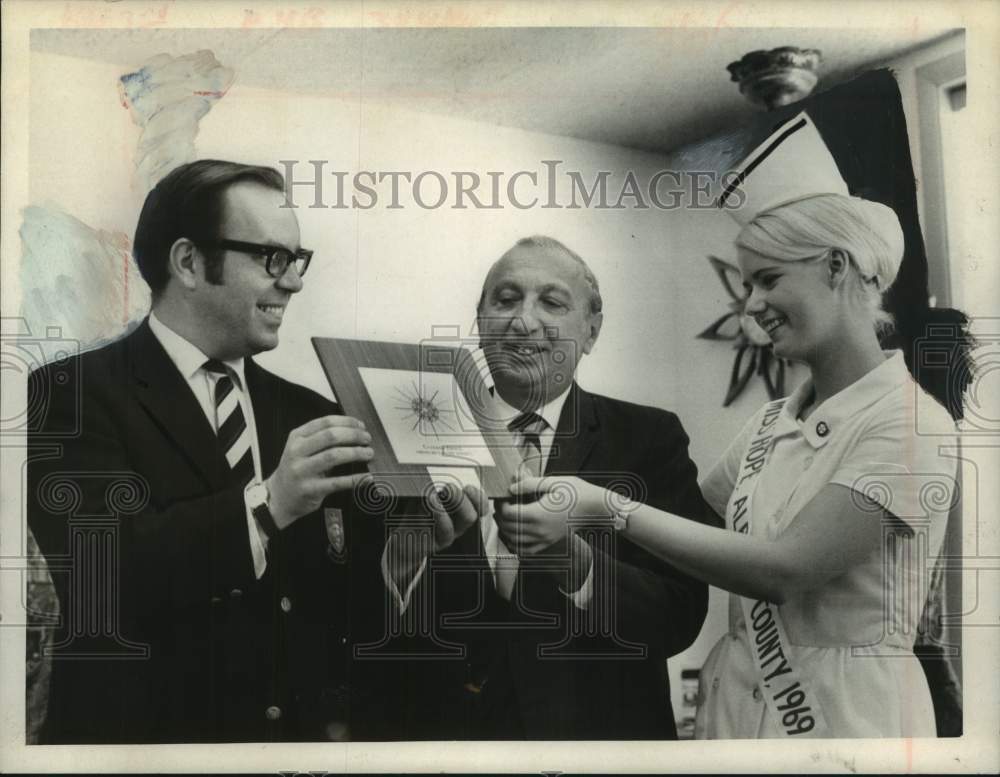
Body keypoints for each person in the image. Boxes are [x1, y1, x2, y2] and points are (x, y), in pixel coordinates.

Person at [509, 113, 960, 738]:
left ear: (836, 267)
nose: (752, 305)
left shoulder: (912, 426)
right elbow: (690, 525)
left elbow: (784, 570)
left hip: (843, 720)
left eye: (769, 279)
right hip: (734, 715)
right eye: (748, 284)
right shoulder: (771, 423)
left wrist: (600, 507)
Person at [27, 159, 378, 743]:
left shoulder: (314, 411)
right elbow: (102, 575)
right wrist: (269, 506)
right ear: (188, 262)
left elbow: (347, 603)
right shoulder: (68, 395)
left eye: (296, 260)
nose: (291, 281)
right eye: (271, 258)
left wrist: (410, 559)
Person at [362, 235, 718, 740]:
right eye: (505, 299)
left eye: (551, 302)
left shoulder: (648, 438)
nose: (523, 320)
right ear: (479, 321)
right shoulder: (415, 434)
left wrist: (579, 568)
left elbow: (680, 618)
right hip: (446, 744)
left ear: (591, 330)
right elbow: (361, 618)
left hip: (598, 749)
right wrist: (404, 567)